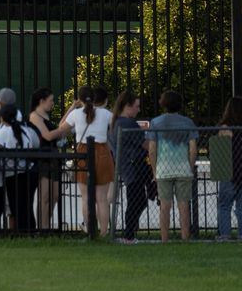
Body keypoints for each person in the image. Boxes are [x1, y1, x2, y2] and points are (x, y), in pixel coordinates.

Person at [147, 90, 198, 243]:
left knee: (164, 206)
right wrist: (190, 165)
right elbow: (193, 148)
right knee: (183, 205)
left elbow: (152, 149)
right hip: (183, 168)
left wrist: (155, 171)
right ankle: (185, 238)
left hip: (163, 169)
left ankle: (164, 239)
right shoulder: (188, 122)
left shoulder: (156, 122)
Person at [62, 86, 115, 235]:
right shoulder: (105, 113)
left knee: (86, 197)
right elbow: (116, 125)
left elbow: (61, 129)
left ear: (79, 99)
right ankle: (104, 233)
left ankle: (90, 231)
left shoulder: (76, 114)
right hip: (103, 152)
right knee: (102, 199)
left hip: (83, 153)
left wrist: (72, 108)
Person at [0, 103, 36, 234]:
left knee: (17, 206)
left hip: (15, 174)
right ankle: (29, 231)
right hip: (28, 171)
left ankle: (23, 233)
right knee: (26, 205)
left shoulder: (6, 131)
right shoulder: (24, 129)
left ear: (2, 118)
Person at [111, 91, 153, 244]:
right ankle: (129, 234)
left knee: (137, 199)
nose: (138, 110)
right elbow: (146, 144)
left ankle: (130, 231)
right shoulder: (127, 124)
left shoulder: (116, 123)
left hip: (126, 166)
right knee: (136, 200)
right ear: (127, 106)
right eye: (136, 106)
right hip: (133, 166)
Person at [215, 97, 242, 241]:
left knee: (224, 205)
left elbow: (220, 153)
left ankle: (225, 235)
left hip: (228, 171)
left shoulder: (224, 128)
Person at [25, 87, 68, 231]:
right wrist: (63, 130)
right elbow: (47, 135)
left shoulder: (46, 117)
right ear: (41, 101)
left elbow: (59, 127)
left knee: (55, 195)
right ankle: (43, 228)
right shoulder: (35, 116)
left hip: (53, 157)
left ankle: (45, 224)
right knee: (44, 196)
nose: (52, 103)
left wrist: (72, 109)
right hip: (43, 158)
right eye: (50, 100)